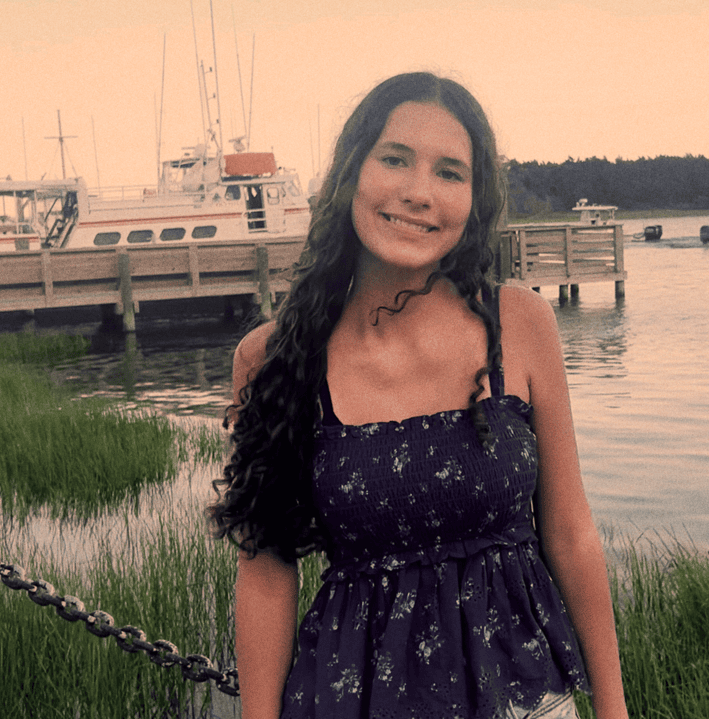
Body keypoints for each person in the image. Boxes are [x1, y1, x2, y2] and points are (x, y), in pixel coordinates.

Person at [208, 72, 628, 719]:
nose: (418, 192)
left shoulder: (521, 323)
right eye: (395, 159)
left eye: (450, 172)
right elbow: (266, 571)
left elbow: (570, 534)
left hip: (526, 697)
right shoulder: (271, 359)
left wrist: (614, 709)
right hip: (356, 700)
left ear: (475, 198)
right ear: (353, 171)